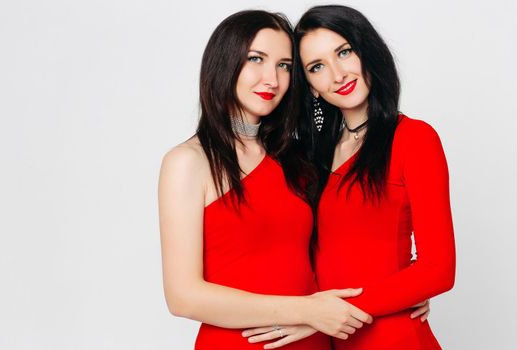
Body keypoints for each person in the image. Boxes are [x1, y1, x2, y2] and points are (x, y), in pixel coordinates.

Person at [158, 10, 379, 350]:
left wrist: (397, 298)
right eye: (256, 59)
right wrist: (306, 311)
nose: (272, 79)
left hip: (315, 341)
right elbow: (184, 296)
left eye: (285, 65)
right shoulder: (189, 162)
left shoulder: (296, 158)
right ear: (224, 62)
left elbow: (345, 247)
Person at [244, 5, 455, 349]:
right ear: (310, 86)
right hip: (331, 341)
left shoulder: (414, 139)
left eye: (344, 52)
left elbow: (438, 269)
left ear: (366, 51)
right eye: (317, 67)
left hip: (392, 338)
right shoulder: (309, 156)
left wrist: (329, 315)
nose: (338, 74)